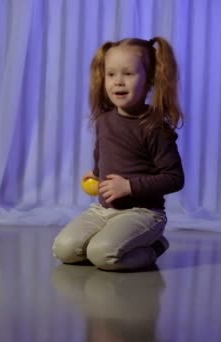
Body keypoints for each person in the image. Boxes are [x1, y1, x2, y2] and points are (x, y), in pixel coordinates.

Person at [52, 37, 185, 271]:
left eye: (128, 74)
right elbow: (102, 155)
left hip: (143, 213)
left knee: (102, 255)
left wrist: (129, 187)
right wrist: (94, 174)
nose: (118, 82)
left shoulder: (155, 128)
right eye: (111, 74)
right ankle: (113, 240)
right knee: (64, 249)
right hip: (104, 210)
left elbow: (174, 178)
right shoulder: (104, 121)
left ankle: (155, 246)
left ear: (150, 79)